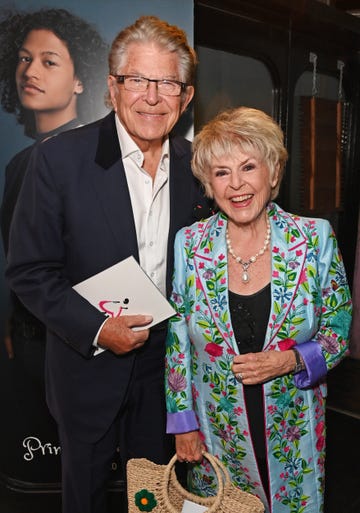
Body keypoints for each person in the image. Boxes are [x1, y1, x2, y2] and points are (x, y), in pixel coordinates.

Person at [5, 15, 209, 513]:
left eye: (167, 83)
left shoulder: (200, 167)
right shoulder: (57, 161)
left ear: (185, 98)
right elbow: (29, 271)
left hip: (167, 374)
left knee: (155, 499)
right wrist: (98, 329)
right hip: (86, 366)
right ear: (112, 88)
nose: (152, 96)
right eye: (138, 80)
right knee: (85, 498)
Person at [164, 106, 352, 513]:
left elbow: (338, 331)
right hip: (216, 430)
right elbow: (177, 340)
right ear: (208, 184)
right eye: (221, 172)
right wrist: (183, 424)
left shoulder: (314, 239)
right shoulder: (189, 244)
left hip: (293, 426)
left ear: (273, 171)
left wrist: (289, 361)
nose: (237, 185)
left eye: (248, 167)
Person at [0, 7, 108, 367]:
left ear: (80, 80)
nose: (29, 71)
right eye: (24, 59)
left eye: (49, 62)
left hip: (80, 345)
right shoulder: (18, 165)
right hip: (29, 343)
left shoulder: (98, 156)